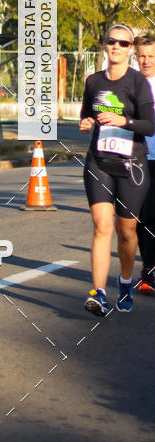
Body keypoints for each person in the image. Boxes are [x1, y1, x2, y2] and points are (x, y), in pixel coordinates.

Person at [79, 23, 154, 315]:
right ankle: (98, 293)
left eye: (124, 43)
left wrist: (125, 122)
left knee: (126, 232)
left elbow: (149, 124)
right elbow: (87, 114)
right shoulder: (93, 81)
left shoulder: (138, 83)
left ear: (130, 49)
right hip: (99, 162)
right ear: (104, 44)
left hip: (132, 164)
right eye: (112, 41)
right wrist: (86, 123)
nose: (117, 46)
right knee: (102, 226)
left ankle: (124, 281)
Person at [135, 34, 155, 294]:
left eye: (151, 56)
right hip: (138, 158)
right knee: (140, 219)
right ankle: (149, 268)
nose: (147, 61)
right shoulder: (130, 84)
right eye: (142, 56)